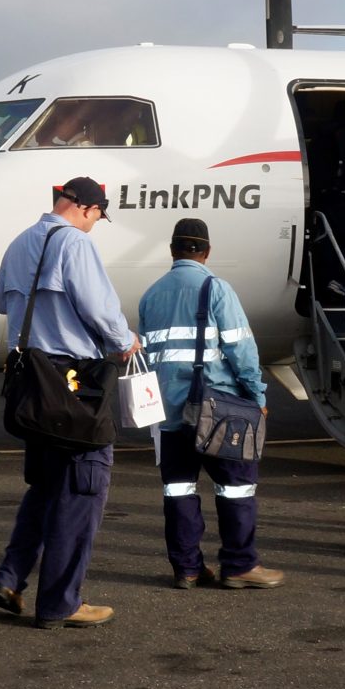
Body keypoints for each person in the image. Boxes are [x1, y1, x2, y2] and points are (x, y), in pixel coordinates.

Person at [0, 177, 139, 629]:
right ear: (88, 209)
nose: (95, 225)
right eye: (98, 217)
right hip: (73, 384)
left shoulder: (19, 243)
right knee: (84, 487)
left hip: (31, 383)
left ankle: (11, 578)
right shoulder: (75, 243)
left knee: (46, 487)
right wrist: (124, 340)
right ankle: (61, 602)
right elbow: (98, 307)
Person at [137, 218, 283, 590]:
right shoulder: (215, 288)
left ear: (172, 250)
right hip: (218, 411)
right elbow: (241, 350)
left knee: (179, 488)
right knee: (236, 487)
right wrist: (257, 396)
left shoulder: (150, 296)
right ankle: (239, 565)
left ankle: (187, 568)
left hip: (169, 414)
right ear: (206, 251)